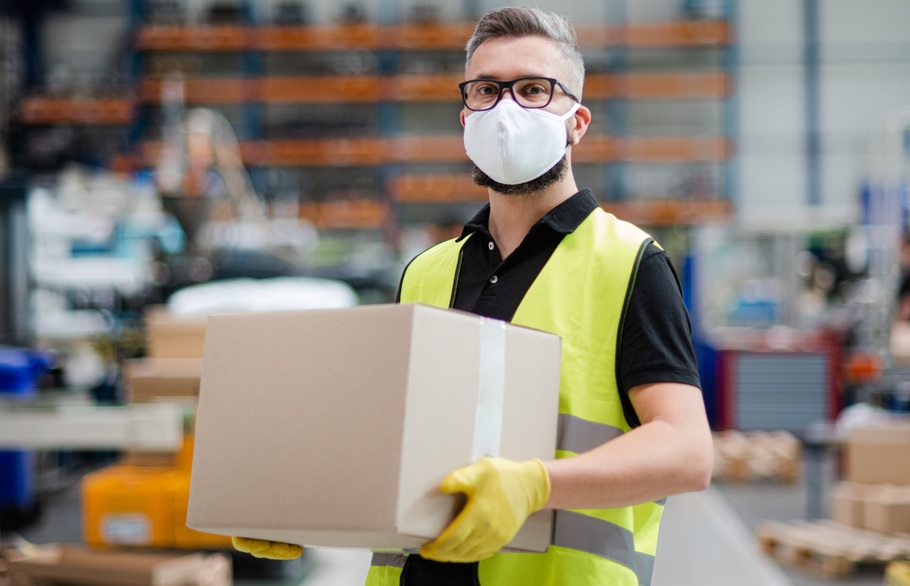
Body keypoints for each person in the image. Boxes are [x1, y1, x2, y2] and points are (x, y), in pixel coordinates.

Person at [233, 7, 713, 585]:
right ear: (465, 117)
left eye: (533, 89)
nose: (506, 108)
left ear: (577, 121)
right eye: (487, 89)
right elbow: (392, 442)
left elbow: (687, 451)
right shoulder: (426, 273)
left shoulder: (629, 263)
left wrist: (537, 484)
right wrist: (299, 503)